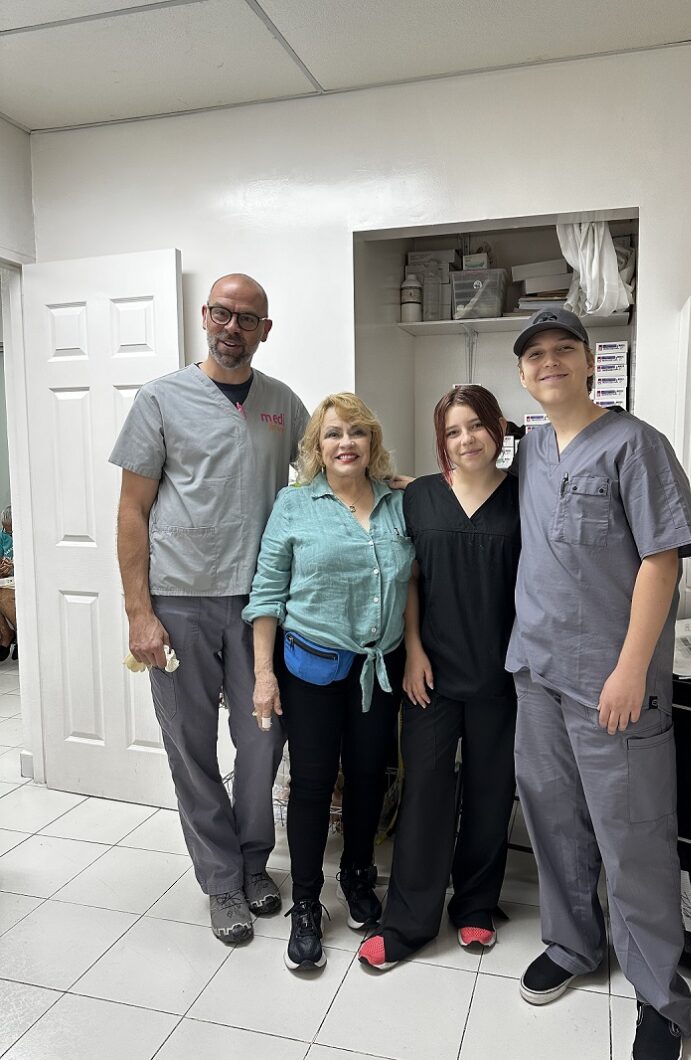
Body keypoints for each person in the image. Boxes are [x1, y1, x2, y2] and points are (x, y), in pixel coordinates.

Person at [506, 307, 691, 1060]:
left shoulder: (635, 445)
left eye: (563, 350)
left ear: (589, 363)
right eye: (534, 355)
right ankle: (572, 945)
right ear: (522, 374)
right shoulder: (532, 452)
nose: (548, 362)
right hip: (537, 673)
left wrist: (627, 668)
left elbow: (662, 560)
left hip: (613, 685)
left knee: (634, 841)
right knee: (554, 826)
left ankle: (663, 999)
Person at [110, 274, 309, 945]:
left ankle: (255, 862)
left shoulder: (282, 405)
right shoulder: (161, 398)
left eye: (247, 318)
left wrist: (410, 487)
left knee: (261, 741)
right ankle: (221, 881)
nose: (232, 326)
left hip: (257, 608)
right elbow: (132, 509)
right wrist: (140, 612)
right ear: (204, 316)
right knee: (190, 748)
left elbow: (332, 474)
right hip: (177, 602)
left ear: (264, 331)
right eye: (222, 313)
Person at [243, 393, 413, 971]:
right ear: (317, 445)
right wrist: (264, 676)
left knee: (369, 777)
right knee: (313, 783)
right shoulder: (294, 505)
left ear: (372, 443)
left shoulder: (395, 502)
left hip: (379, 664)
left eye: (358, 433)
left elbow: (413, 575)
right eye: (334, 433)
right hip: (311, 668)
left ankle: (359, 876)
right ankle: (310, 902)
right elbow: (266, 596)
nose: (347, 443)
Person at [358, 385, 520, 970]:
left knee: (490, 791)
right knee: (425, 790)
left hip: (504, 672)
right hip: (432, 671)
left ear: (497, 428)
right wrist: (417, 649)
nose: (465, 439)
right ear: (440, 441)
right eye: (452, 431)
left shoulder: (527, 496)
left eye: (474, 425)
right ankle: (407, 922)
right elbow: (410, 581)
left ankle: (475, 904)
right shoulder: (420, 498)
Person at [0, 505, 16, 661]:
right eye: (6, 531)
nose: (8, 534)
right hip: (7, 580)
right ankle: (6, 634)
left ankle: (21, 637)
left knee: (4, 599)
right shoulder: (2, 536)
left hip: (21, 581)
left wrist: (15, 565)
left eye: (12, 531)